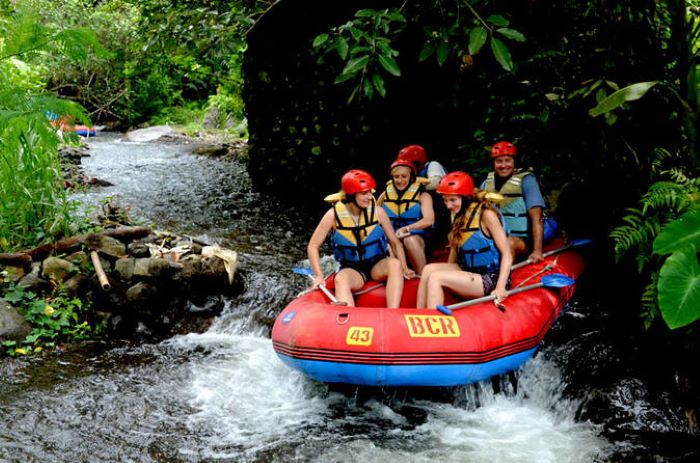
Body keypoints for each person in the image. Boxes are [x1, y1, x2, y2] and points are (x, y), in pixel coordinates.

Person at [307, 169, 414, 308]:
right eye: (365, 193)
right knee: (341, 279)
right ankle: (348, 317)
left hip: (377, 265)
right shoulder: (332, 216)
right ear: (351, 195)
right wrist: (319, 276)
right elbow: (313, 246)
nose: (370, 197)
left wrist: (405, 268)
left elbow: (395, 243)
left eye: (370, 192)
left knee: (395, 264)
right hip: (353, 269)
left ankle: (392, 311)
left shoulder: (378, 212)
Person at [416, 171, 512, 309]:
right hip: (468, 270)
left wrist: (501, 287)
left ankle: (433, 322)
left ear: (465, 197)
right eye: (445, 200)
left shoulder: (487, 215)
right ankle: (418, 314)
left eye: (452, 200)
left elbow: (507, 254)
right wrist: (451, 280)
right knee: (428, 270)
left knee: (437, 277)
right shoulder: (459, 215)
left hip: (490, 277)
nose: (448, 205)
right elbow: (454, 254)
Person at [480, 141, 556, 264]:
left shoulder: (527, 181)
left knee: (507, 243)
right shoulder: (486, 183)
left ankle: (504, 280)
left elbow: (537, 218)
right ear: (494, 163)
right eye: (499, 161)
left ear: (514, 162)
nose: (503, 165)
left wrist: (537, 250)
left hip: (521, 240)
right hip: (494, 237)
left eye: (507, 160)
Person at [377, 159, 435, 274]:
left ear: (411, 177)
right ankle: (398, 274)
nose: (400, 180)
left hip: (417, 240)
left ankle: (421, 275)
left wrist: (407, 229)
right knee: (388, 243)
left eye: (404, 176)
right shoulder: (385, 195)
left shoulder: (423, 196)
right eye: (396, 177)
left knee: (410, 240)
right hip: (393, 242)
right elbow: (373, 217)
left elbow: (429, 220)